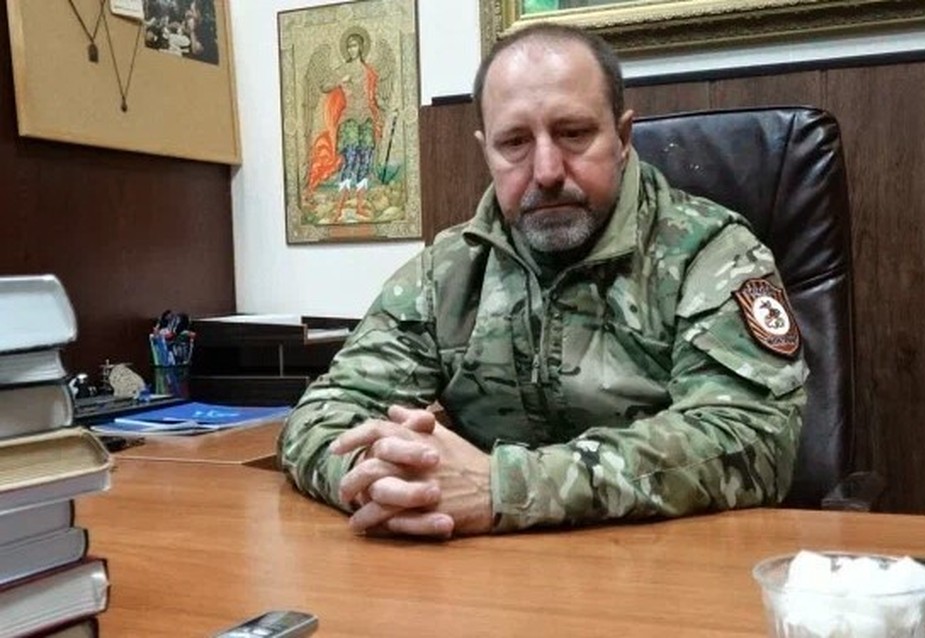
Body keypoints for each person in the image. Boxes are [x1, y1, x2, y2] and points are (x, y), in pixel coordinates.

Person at [280, 23, 807, 539]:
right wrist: (384, 478)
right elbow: (321, 416)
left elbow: (751, 437)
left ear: (622, 138)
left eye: (573, 133)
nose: (548, 170)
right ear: (487, 152)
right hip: (493, 572)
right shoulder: (449, 271)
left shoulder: (709, 252)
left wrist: (508, 488)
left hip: (665, 567)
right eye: (514, 142)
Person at [306, 30, 384, 220]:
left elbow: (373, 97)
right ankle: (339, 207)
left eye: (354, 45)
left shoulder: (369, 72)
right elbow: (324, 86)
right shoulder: (343, 69)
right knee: (349, 161)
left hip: (366, 119)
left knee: (365, 161)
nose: (351, 49)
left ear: (361, 48)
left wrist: (379, 111)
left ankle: (359, 205)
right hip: (349, 118)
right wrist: (341, 80)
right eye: (349, 46)